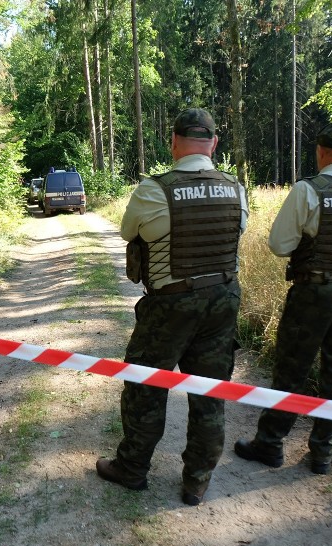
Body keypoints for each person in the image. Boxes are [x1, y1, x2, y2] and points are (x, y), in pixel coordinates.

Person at [96, 108, 249, 506]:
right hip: (223, 300)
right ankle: (197, 480)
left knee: (146, 386)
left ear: (174, 142)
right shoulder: (235, 188)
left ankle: (132, 469)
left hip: (170, 303)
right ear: (214, 143)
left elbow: (129, 231)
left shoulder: (154, 189)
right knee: (210, 392)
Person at [234, 122, 332, 474]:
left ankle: (270, 444)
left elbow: (279, 245)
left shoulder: (308, 190)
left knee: (291, 370)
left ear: (319, 152)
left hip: (314, 293)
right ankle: (323, 453)